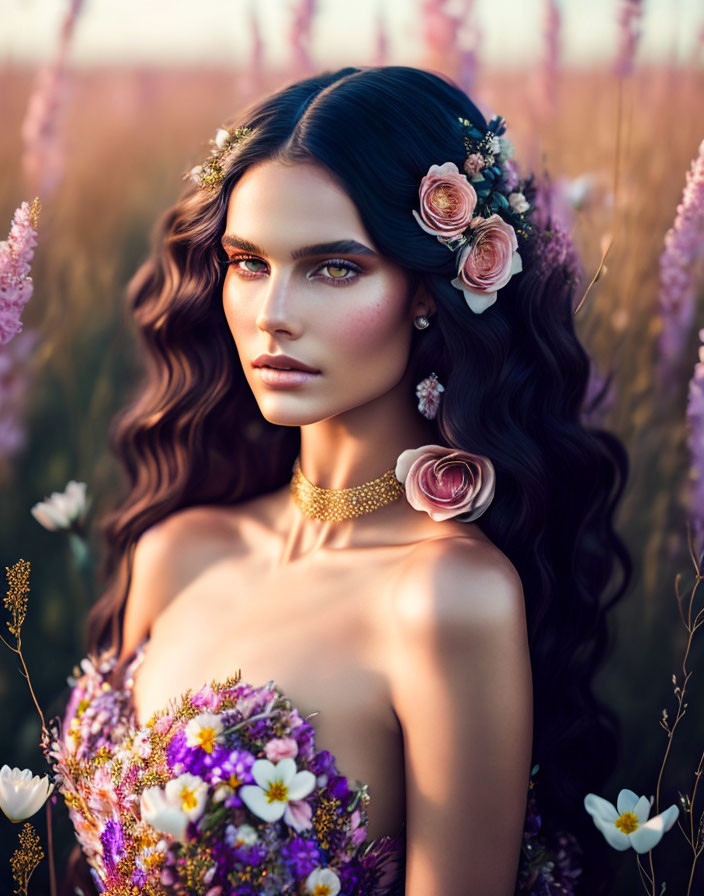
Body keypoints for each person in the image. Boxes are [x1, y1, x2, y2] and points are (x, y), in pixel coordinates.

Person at [47, 65, 631, 896]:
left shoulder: (446, 599)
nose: (273, 312)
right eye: (249, 262)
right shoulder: (177, 551)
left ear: (431, 291)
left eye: (334, 268)